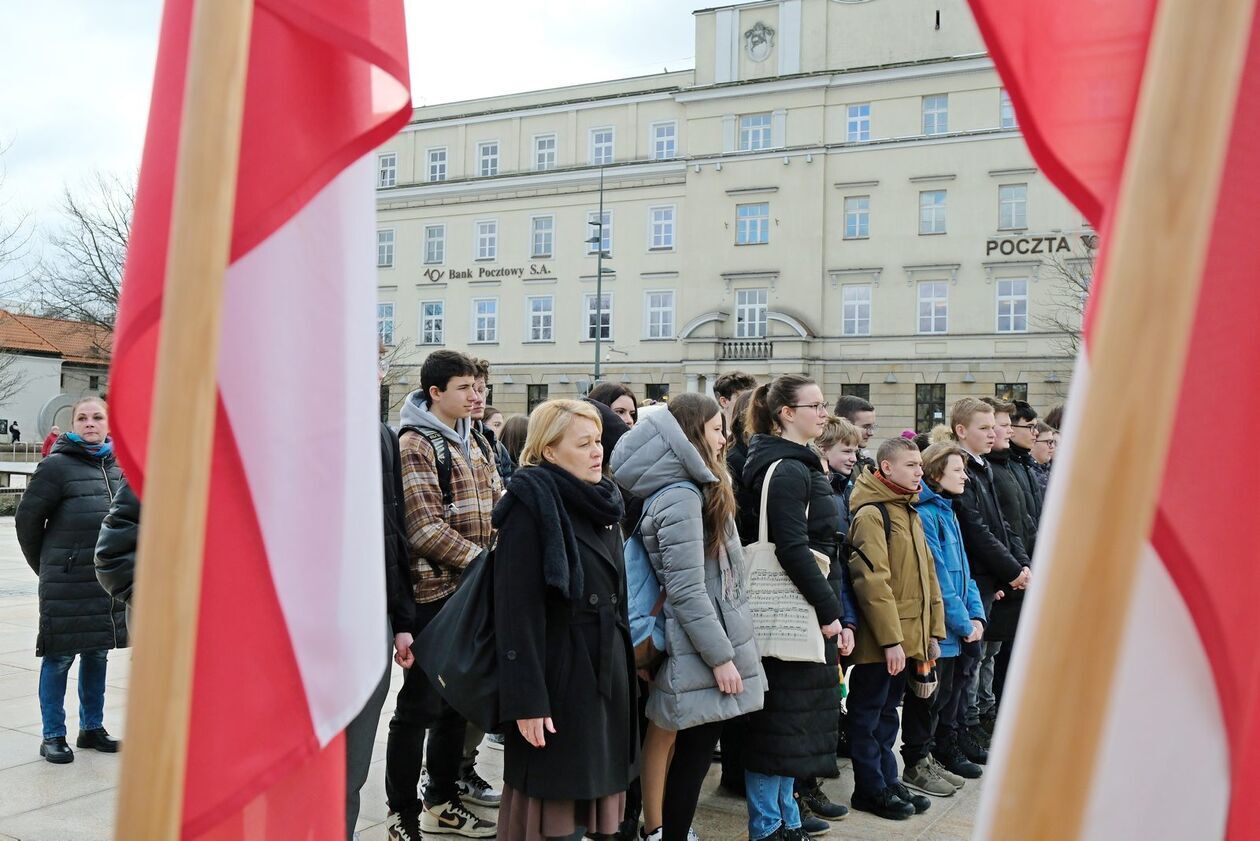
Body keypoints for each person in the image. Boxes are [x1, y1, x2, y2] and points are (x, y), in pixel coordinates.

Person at [611, 394, 766, 841]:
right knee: (690, 748)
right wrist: (721, 657)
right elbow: (686, 590)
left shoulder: (688, 488)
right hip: (695, 642)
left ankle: (660, 829)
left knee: (671, 737)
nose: (725, 439)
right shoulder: (681, 496)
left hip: (695, 638)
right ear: (692, 435)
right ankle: (665, 831)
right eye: (717, 429)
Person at [494, 400, 638, 841]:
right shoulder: (531, 504)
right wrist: (527, 701)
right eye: (584, 443)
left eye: (598, 441)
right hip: (558, 678)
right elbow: (516, 612)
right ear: (550, 452)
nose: (598, 451)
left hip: (604, 670)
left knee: (598, 798)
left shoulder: (604, 502)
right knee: (554, 806)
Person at [387, 350, 501, 841]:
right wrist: (485, 561)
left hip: (471, 591)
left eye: (479, 388)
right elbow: (423, 528)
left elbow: (498, 502)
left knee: (459, 702)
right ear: (436, 393)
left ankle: (443, 801)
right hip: (435, 594)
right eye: (465, 388)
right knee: (419, 707)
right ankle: (402, 812)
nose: (477, 396)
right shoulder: (416, 443)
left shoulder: (476, 440)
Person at [740, 375, 857, 841]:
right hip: (795, 605)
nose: (823, 412)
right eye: (815, 405)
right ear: (786, 413)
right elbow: (790, 548)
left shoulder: (796, 463)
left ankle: (785, 819)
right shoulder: (787, 469)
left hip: (804, 603)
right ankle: (768, 827)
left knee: (791, 724)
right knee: (778, 725)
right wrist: (830, 610)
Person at [16, 398, 127, 764]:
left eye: (97, 417)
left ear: (109, 423)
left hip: (103, 584)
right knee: (59, 657)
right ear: (72, 423)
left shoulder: (118, 466)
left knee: (97, 654)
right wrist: (49, 567)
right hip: (66, 581)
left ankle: (91, 728)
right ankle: (53, 734)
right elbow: (27, 522)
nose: (90, 423)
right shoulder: (55, 467)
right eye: (82, 417)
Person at [845, 438, 944, 820]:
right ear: (886, 468)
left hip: (907, 638)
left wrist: (932, 632)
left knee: (889, 714)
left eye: (920, 465)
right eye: (911, 465)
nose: (920, 471)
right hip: (882, 642)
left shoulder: (909, 510)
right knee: (868, 713)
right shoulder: (873, 514)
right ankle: (869, 787)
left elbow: (927, 577)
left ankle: (887, 779)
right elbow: (872, 582)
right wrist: (891, 641)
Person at [946, 399, 1029, 763]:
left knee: (977, 660)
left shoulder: (984, 468)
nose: (993, 433)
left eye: (993, 427)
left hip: (990, 575)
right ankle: (952, 735)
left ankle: (965, 728)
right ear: (962, 431)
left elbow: (1005, 523)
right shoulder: (959, 468)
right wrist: (1009, 570)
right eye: (985, 427)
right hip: (972, 577)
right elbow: (975, 529)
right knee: (966, 663)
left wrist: (1019, 564)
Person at [907, 444, 987, 796]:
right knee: (926, 702)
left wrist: (976, 614)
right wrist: (962, 623)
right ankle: (915, 763)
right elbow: (937, 577)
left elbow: (964, 571)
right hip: (941, 630)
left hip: (959, 628)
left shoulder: (948, 511)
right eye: (958, 470)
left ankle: (930, 758)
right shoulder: (925, 514)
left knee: (945, 700)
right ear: (937, 473)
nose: (965, 477)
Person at [980, 399, 1041, 712]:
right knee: (985, 658)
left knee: (998, 653)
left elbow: (1020, 523)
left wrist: (1029, 563)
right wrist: (1012, 569)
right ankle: (983, 717)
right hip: (1000, 578)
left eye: (1001, 425)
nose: (997, 432)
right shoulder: (990, 469)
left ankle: (997, 711)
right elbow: (986, 530)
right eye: (994, 425)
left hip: (1018, 571)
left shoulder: (1013, 467)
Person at [834, 395, 877, 472]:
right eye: (865, 427)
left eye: (872, 427)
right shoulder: (828, 464)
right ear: (846, 424)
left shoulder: (863, 462)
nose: (871, 433)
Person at [1029, 421, 1057, 492]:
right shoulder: (1030, 474)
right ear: (1033, 443)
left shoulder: (1047, 470)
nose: (1052, 447)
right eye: (1048, 442)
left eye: (1053, 442)